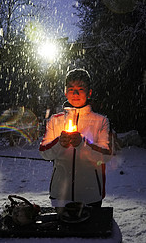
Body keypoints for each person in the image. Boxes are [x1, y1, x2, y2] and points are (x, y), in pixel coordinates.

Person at [39, 68, 112, 207]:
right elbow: (44, 152)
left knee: (89, 228)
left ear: (89, 92)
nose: (75, 93)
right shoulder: (55, 120)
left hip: (90, 195)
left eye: (81, 88)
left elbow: (106, 156)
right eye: (71, 88)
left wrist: (83, 144)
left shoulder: (101, 121)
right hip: (60, 194)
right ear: (65, 91)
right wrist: (59, 143)